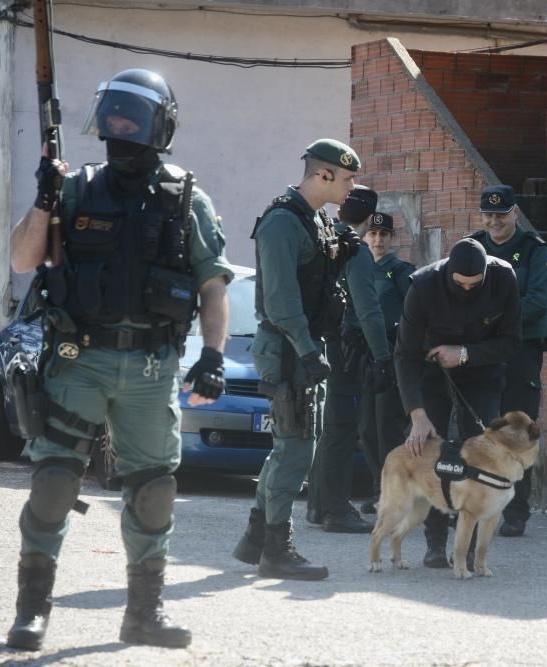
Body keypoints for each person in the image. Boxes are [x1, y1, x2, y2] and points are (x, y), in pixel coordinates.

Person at [6, 68, 233, 650]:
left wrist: (212, 355)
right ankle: (31, 611)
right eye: (114, 120)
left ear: (160, 127)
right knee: (55, 481)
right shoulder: (75, 188)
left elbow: (212, 286)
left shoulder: (188, 200)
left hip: (152, 369)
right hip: (79, 359)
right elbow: (23, 259)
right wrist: (42, 200)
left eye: (133, 121)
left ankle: (143, 615)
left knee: (154, 489)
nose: (120, 132)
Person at [231, 138, 361, 580]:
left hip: (302, 344)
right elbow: (284, 301)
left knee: (287, 446)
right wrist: (307, 350)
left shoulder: (316, 222)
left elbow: (313, 284)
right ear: (322, 175)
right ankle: (276, 549)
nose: (352, 187)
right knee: (296, 450)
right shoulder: (284, 223)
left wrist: (339, 256)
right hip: (289, 346)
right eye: (346, 179)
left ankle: (255, 538)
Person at [396, 238, 521, 567]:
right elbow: (405, 355)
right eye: (459, 283)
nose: (466, 289)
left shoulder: (504, 278)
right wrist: (417, 414)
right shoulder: (422, 286)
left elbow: (510, 342)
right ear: (448, 271)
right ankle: (435, 542)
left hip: (482, 371)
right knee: (435, 455)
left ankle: (470, 549)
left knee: (481, 456)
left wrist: (465, 354)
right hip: (431, 372)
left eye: (474, 284)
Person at [465, 185, 547, 537]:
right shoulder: (473, 247)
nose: (494, 221)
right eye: (488, 214)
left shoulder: (533, 250)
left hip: (520, 351)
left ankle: (517, 511)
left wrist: (493, 320)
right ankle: (478, 502)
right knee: (480, 429)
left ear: (515, 213)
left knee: (518, 430)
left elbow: (537, 301)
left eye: (501, 215)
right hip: (483, 353)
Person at [305, 185, 393, 533]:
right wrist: (383, 356)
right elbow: (369, 311)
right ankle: (336, 509)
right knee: (342, 429)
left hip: (317, 343)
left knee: (328, 430)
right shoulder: (355, 250)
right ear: (370, 219)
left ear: (341, 211)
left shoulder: (322, 237)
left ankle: (317, 505)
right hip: (346, 348)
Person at [358, 211, 416, 512]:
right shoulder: (359, 268)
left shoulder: (401, 271)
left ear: (392, 239)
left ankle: (395, 492)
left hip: (391, 358)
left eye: (384, 235)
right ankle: (379, 487)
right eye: (373, 234)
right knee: (366, 428)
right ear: (365, 236)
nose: (378, 240)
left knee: (386, 428)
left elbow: (412, 315)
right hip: (366, 357)